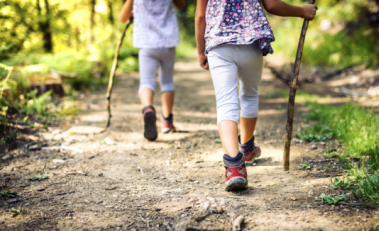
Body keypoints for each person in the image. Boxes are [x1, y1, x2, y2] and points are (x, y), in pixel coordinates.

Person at [195, 0, 317, 191]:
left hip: (219, 44)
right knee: (249, 96)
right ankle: (247, 148)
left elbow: (201, 16)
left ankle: (234, 167)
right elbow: (272, 5)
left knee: (226, 103)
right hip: (250, 41)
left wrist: (201, 50)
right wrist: (302, 11)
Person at [119, 0, 185, 141]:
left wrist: (134, 12)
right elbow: (181, 5)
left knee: (146, 82)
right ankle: (167, 122)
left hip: (147, 44)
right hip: (168, 43)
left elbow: (122, 18)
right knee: (167, 81)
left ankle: (148, 109)